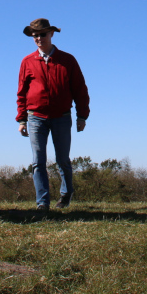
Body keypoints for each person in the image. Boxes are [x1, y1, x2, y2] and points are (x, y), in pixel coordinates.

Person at [16, 18, 90, 210]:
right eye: (35, 35)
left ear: (51, 34)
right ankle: (43, 203)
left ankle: (65, 195)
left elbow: (80, 90)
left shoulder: (68, 60)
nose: (38, 38)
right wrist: (22, 119)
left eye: (42, 34)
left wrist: (82, 116)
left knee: (62, 159)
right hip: (35, 117)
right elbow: (22, 93)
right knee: (38, 161)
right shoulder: (27, 62)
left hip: (62, 117)